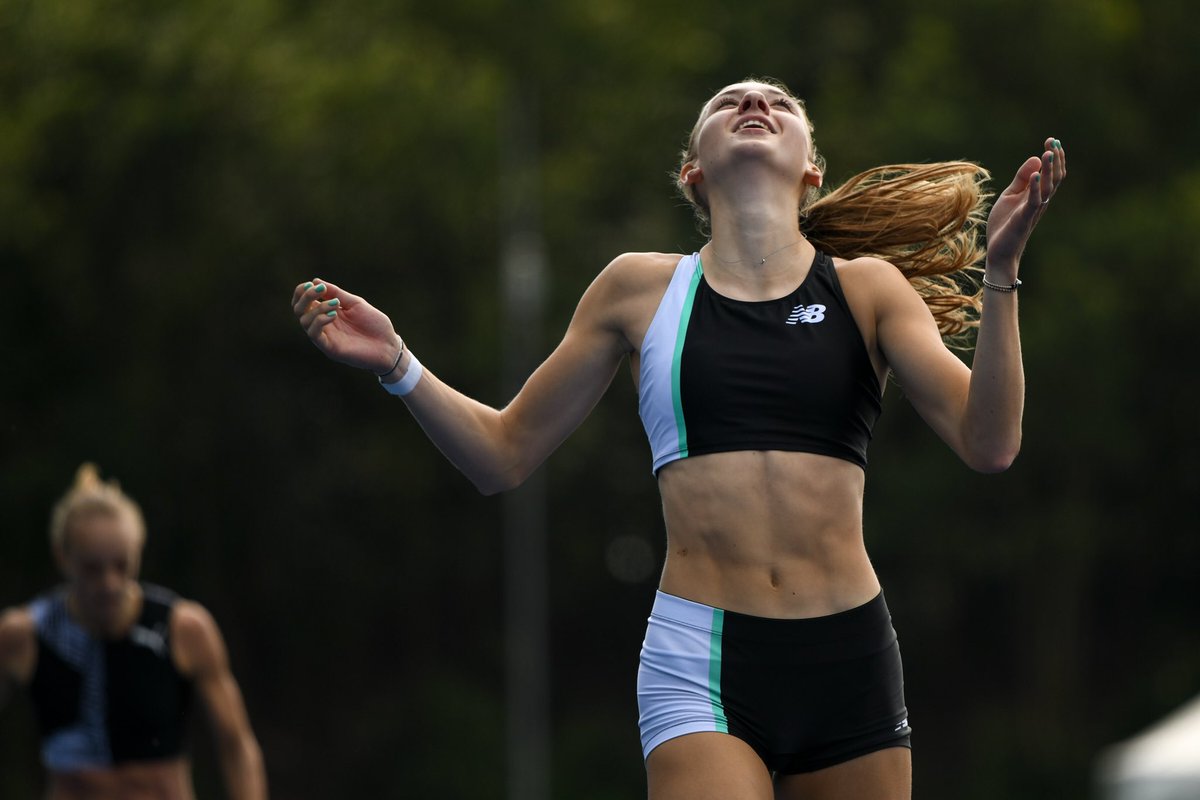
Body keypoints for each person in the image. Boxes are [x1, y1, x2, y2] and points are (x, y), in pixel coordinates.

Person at [290, 78, 1064, 799]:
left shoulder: (867, 289)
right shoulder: (639, 289)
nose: (756, 103)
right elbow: (501, 455)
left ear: (812, 171)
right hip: (702, 660)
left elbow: (989, 442)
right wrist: (397, 362)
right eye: (731, 101)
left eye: (780, 103)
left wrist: (1001, 272)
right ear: (694, 170)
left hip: (848, 656)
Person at [0, 464, 268, 800]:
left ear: (138, 551)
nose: (109, 584)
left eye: (121, 565)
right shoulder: (25, 634)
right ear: (63, 557)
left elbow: (237, 745)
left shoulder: (183, 629)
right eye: (92, 568)